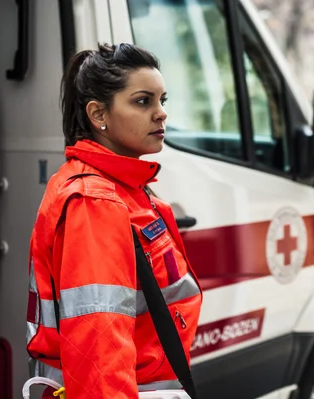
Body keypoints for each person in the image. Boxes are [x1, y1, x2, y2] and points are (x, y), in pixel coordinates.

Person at [25, 43, 202, 398]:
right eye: (142, 101)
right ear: (98, 114)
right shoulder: (95, 202)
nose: (160, 114)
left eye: (162, 101)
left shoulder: (124, 188)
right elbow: (99, 345)